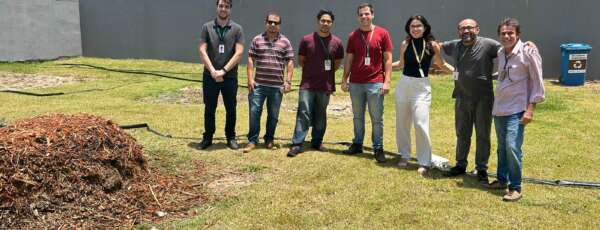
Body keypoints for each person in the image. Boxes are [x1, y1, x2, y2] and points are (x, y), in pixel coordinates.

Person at [489, 18, 545, 201]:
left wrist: (530, 109)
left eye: (510, 33)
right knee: (502, 147)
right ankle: (501, 179)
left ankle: (515, 187)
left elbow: (537, 81)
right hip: (499, 108)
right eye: (503, 33)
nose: (506, 36)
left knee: (512, 146)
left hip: (518, 108)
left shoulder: (528, 52)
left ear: (518, 34)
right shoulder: (500, 52)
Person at [441, 19, 501, 185]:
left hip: (483, 98)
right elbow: (436, 46)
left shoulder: (488, 44)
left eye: (470, 28)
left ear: (477, 29)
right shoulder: (455, 45)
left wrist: (526, 45)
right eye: (462, 28)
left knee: (482, 134)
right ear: (458, 31)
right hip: (461, 97)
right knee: (462, 133)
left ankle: (481, 168)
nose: (466, 31)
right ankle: (460, 165)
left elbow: (508, 50)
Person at [391, 15, 454, 174]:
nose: (415, 29)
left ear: (425, 28)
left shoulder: (432, 45)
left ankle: (424, 161)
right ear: (408, 28)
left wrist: (459, 73)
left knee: (420, 123)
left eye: (418, 26)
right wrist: (382, 67)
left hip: (421, 87)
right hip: (404, 84)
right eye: (412, 26)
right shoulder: (405, 43)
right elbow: (400, 64)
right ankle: (404, 155)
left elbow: (441, 64)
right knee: (402, 123)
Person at [287, 9, 344, 157]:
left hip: (325, 85)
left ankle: (317, 141)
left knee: (320, 113)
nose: (325, 23)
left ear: (332, 23)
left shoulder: (337, 42)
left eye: (328, 21)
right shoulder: (306, 40)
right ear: (318, 21)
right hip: (307, 84)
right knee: (303, 112)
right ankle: (297, 143)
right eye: (323, 20)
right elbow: (302, 60)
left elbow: (336, 64)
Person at [340, 3, 393, 163]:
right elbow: (349, 59)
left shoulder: (382, 33)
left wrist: (387, 81)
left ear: (372, 15)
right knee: (357, 116)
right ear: (358, 17)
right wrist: (344, 78)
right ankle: (357, 144)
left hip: (375, 82)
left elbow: (388, 59)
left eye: (367, 14)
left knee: (376, 118)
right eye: (361, 14)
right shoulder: (353, 35)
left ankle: (378, 148)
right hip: (356, 83)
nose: (364, 17)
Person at [197, 0, 245, 150]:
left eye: (226, 6)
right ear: (217, 7)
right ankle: (208, 137)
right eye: (221, 6)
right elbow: (202, 50)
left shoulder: (237, 29)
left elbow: (239, 53)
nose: (223, 9)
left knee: (231, 108)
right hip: (210, 75)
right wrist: (212, 71)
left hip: (229, 77)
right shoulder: (207, 27)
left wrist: (223, 71)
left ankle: (231, 137)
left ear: (230, 9)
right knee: (209, 107)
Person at [244, 12, 294, 153]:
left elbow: (290, 61)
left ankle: (269, 139)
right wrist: (250, 78)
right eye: (270, 22)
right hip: (258, 85)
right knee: (254, 113)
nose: (272, 25)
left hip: (276, 87)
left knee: (273, 115)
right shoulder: (257, 39)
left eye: (276, 23)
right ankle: (252, 140)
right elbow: (250, 59)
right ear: (266, 23)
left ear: (279, 25)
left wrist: (288, 81)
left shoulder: (285, 41)